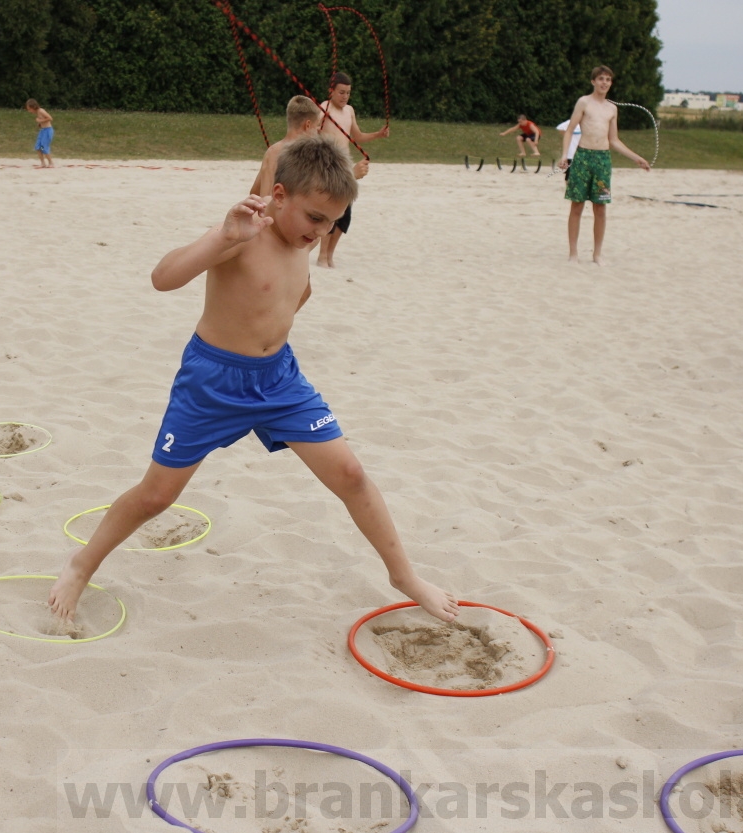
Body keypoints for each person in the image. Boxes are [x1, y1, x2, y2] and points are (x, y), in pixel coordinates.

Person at [47, 135, 460, 626]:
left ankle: (404, 576)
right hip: (213, 381)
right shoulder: (241, 235)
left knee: (350, 474)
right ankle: (81, 565)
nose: (321, 232)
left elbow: (294, 294)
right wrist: (222, 237)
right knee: (157, 496)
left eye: (332, 223)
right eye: (315, 218)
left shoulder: (300, 238)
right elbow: (163, 278)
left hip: (280, 380)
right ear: (279, 196)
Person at [558, 66, 651, 265]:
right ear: (593, 81)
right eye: (601, 79)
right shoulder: (584, 102)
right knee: (577, 205)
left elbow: (614, 140)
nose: (604, 83)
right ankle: (573, 253)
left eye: (608, 79)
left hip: (602, 160)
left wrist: (636, 158)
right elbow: (569, 130)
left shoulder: (612, 109)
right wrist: (565, 155)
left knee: (600, 208)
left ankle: (597, 254)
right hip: (583, 157)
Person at [316, 71, 388, 268]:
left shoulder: (349, 111)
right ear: (331, 91)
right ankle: (322, 255)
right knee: (331, 211)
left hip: (346, 165)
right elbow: (310, 136)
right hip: (328, 167)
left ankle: (330, 254)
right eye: (341, 92)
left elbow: (356, 136)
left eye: (348, 93)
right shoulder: (323, 110)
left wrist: (378, 135)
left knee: (345, 214)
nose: (345, 96)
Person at [252, 95, 369, 199]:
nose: (319, 130)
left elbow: (254, 194)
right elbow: (321, 196)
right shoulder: (305, 155)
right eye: (317, 125)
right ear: (307, 125)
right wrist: (352, 175)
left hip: (266, 217)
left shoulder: (272, 152)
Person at [25, 99, 54, 168]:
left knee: (43, 147)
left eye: (29, 109)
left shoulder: (41, 111)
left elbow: (50, 118)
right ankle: (43, 163)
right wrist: (40, 123)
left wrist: (41, 120)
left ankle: (51, 163)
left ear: (33, 107)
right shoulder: (37, 112)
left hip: (47, 131)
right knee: (38, 147)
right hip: (42, 130)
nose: (29, 111)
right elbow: (44, 121)